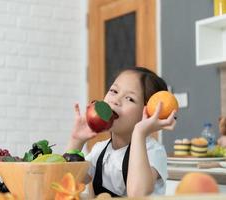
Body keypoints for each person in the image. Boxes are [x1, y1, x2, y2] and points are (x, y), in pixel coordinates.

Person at [66, 66, 177, 197]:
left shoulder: (153, 152)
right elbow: (69, 183)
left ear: (148, 112)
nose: (116, 100)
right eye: (114, 91)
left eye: (130, 98)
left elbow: (137, 194)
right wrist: (76, 141)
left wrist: (139, 133)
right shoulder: (99, 151)